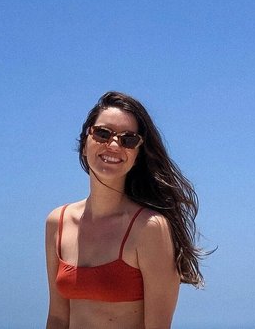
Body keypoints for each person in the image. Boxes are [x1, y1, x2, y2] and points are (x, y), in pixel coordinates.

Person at [45, 91, 206, 329]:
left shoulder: (149, 228)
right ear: (84, 144)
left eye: (128, 139)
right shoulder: (57, 222)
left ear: (137, 155)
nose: (113, 145)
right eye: (102, 133)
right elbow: (58, 318)